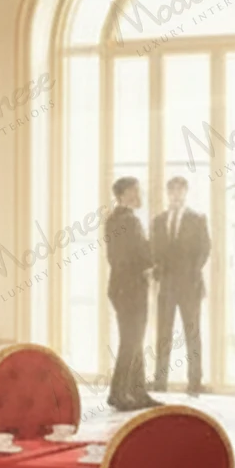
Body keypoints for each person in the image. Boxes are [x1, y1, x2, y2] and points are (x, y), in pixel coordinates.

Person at [151, 174, 210, 396]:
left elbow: (205, 249)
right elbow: (154, 251)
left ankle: (195, 382)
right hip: (166, 286)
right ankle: (160, 383)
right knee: (163, 335)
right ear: (168, 193)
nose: (175, 195)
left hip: (190, 285)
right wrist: (157, 272)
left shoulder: (197, 219)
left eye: (180, 190)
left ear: (185, 193)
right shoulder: (158, 221)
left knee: (192, 334)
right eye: (172, 190)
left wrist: (192, 273)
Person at [104, 176, 158, 412]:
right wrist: (151, 263)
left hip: (120, 287)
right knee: (131, 341)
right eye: (135, 192)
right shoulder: (129, 221)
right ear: (124, 195)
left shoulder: (115, 219)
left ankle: (137, 391)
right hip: (131, 287)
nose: (140, 196)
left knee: (134, 339)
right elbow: (138, 254)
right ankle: (118, 393)